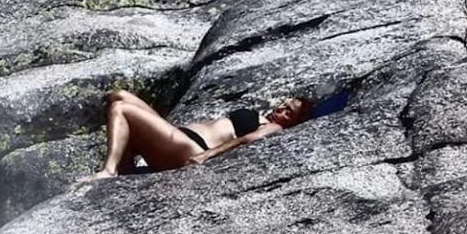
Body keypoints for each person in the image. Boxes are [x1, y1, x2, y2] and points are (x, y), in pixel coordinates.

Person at [85, 90, 314, 180]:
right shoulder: (266, 118)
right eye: (283, 105)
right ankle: (125, 167)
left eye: (288, 112)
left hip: (192, 148)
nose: (280, 110)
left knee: (121, 109)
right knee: (118, 96)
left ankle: (109, 170)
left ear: (296, 121)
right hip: (181, 136)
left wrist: (207, 156)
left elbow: (247, 140)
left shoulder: (276, 129)